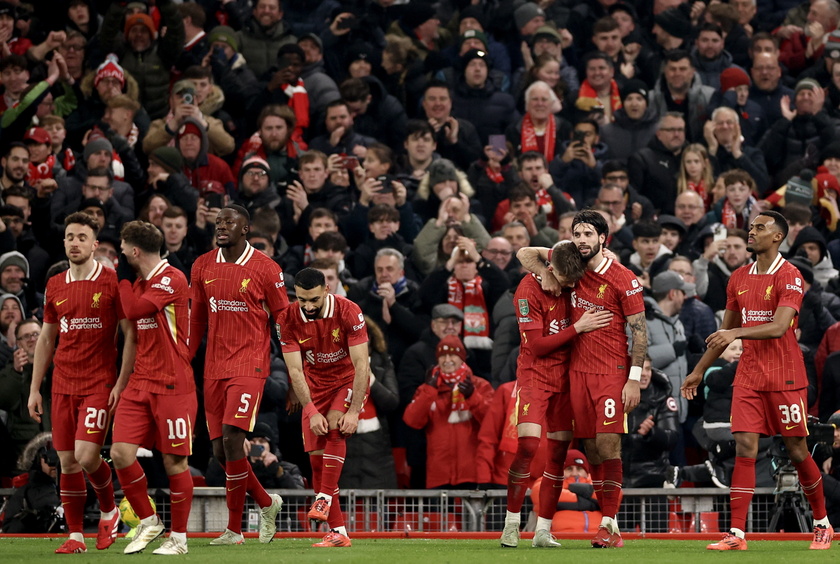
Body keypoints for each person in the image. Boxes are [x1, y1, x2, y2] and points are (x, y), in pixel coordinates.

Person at [682, 210, 834, 551]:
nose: (751, 232)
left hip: (785, 376)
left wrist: (737, 331)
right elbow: (724, 335)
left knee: (796, 450)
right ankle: (736, 534)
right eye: (751, 226)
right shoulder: (738, 277)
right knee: (745, 449)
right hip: (748, 375)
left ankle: (822, 523)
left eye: (759, 228)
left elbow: (780, 327)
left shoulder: (790, 274)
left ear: (777, 236)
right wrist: (697, 371)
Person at [517, 209, 648, 548]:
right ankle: (611, 528)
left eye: (589, 234)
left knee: (608, 445)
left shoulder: (623, 278)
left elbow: (640, 332)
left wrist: (633, 379)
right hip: (577, 373)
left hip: (612, 373)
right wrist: (543, 275)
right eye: (578, 233)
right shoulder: (570, 261)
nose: (582, 240)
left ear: (603, 238)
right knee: (591, 450)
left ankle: (608, 524)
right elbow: (525, 253)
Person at [27, 212, 135, 554]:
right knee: (67, 462)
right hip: (62, 383)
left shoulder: (111, 281)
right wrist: (34, 388)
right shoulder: (55, 284)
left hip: (98, 383)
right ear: (64, 242)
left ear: (94, 244)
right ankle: (75, 536)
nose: (75, 242)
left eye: (82, 237)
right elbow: (46, 338)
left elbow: (129, 333)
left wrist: (121, 381)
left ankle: (109, 510)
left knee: (88, 456)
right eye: (70, 237)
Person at [500, 241, 612, 548]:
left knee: (558, 454)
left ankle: (543, 531)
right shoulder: (527, 291)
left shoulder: (569, 260)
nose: (573, 286)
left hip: (568, 378)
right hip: (536, 375)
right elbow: (536, 346)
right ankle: (511, 523)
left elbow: (529, 253)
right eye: (567, 280)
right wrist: (579, 327)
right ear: (551, 270)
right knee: (527, 446)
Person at [189, 204, 288, 545]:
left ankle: (234, 530)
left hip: (250, 364)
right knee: (220, 452)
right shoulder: (202, 265)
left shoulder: (266, 268)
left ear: (245, 228)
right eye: (218, 222)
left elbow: (283, 320)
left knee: (233, 439)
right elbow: (197, 319)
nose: (221, 226)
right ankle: (266, 502)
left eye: (229, 222)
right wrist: (184, 359)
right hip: (214, 368)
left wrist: (295, 372)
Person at [110, 220, 196, 555]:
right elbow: (133, 334)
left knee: (175, 463)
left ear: (134, 250)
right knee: (119, 453)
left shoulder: (171, 278)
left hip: (173, 384)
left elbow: (133, 310)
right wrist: (121, 382)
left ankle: (180, 538)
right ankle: (149, 520)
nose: (119, 254)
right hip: (140, 382)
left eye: (121, 248)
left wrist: (119, 280)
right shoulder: (142, 282)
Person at [278, 267, 370, 548]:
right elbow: (294, 371)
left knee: (334, 426)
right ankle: (339, 533)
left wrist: (353, 411)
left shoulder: (349, 311)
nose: (307, 306)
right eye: (302, 299)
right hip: (314, 387)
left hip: (347, 381)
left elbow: (361, 365)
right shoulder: (287, 318)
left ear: (326, 290)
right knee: (318, 462)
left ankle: (324, 498)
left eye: (313, 300)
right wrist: (310, 410)